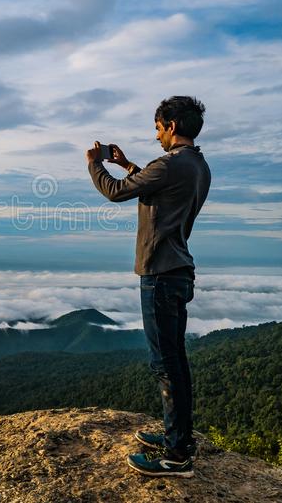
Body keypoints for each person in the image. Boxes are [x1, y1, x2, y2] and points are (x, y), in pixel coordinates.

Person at [85, 96, 211, 478]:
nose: (156, 136)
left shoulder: (171, 164)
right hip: (178, 271)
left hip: (159, 274)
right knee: (176, 360)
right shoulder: (198, 165)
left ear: (171, 126)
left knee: (165, 364)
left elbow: (116, 192)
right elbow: (155, 186)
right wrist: (126, 164)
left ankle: (176, 457)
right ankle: (180, 439)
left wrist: (95, 165)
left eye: (157, 128)